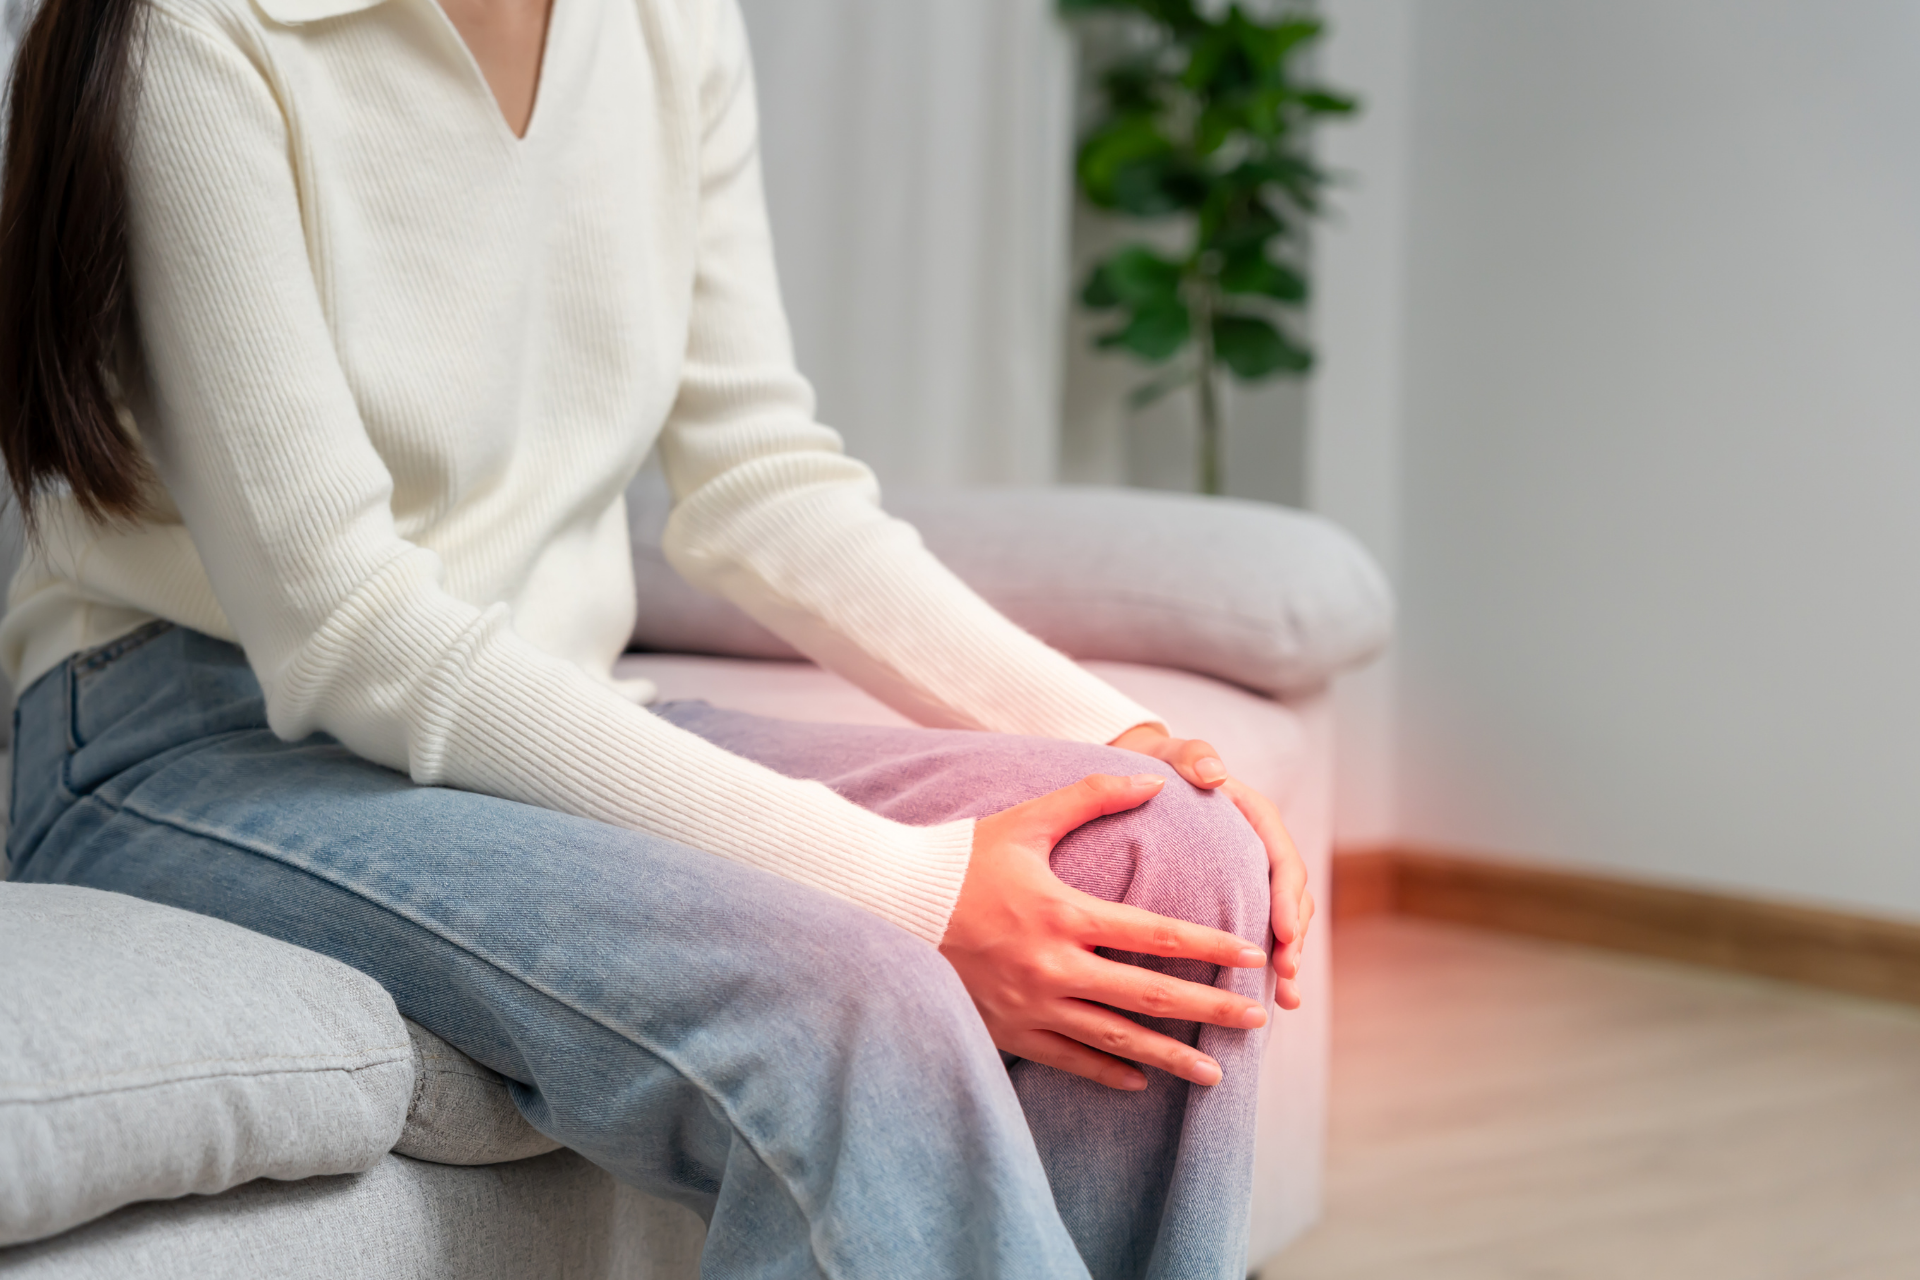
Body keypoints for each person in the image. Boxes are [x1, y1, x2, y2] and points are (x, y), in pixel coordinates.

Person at [0, 0, 1313, 1273]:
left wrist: (1136, 740)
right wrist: (908, 888)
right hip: (181, 739)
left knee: (1157, 859)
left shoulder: (665, 20)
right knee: (849, 999)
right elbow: (351, 622)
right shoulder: (197, 30)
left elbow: (766, 494)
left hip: (539, 702)